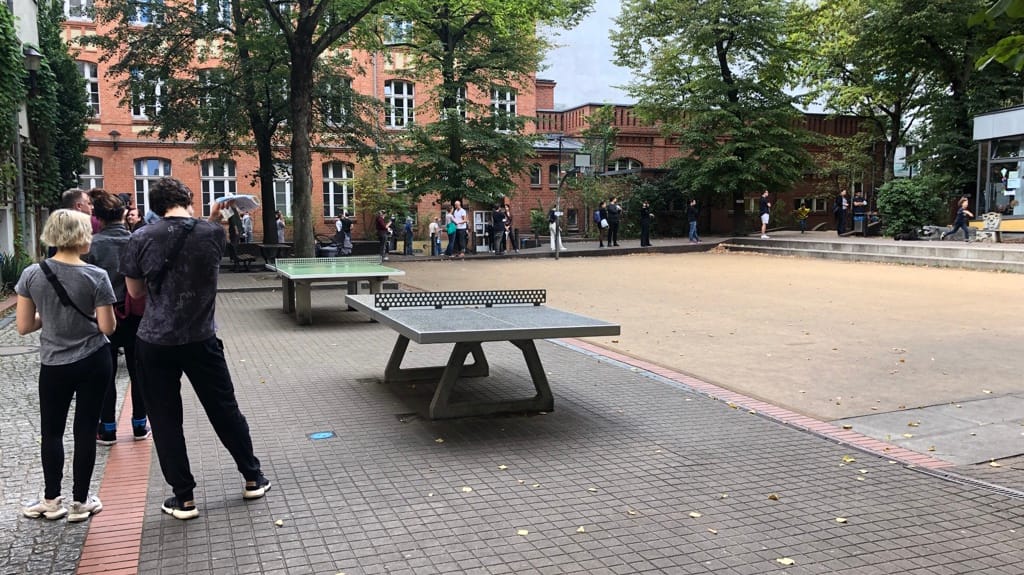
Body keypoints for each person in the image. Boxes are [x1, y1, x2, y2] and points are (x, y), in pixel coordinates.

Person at [120, 177, 271, 521]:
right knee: (224, 409)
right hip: (201, 338)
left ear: (154, 206)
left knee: (165, 418)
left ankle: (184, 497)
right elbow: (206, 236)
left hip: (155, 341)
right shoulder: (212, 233)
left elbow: (136, 293)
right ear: (188, 199)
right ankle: (252, 477)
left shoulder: (139, 237)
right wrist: (214, 218)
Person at [16, 209, 116, 523]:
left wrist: (51, 313)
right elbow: (107, 327)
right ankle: (80, 501)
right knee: (85, 430)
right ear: (80, 236)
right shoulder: (96, 276)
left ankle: (50, 500)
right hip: (93, 360)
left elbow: (22, 326)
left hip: (54, 363)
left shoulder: (33, 274)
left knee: (52, 432)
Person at [84, 190, 150, 446]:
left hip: (103, 315)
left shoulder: (92, 245)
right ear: (124, 214)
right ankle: (139, 425)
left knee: (105, 373)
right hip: (135, 314)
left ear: (97, 217)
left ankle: (108, 428)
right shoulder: (136, 241)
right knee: (138, 372)